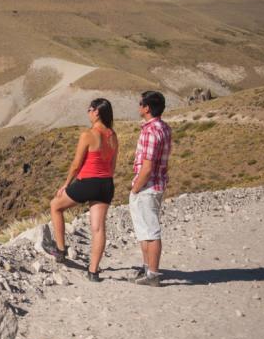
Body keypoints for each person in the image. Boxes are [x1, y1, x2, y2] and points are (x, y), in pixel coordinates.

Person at [48, 98, 118, 281]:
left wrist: (66, 184)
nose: (88, 113)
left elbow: (76, 164)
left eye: (89, 109)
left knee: (56, 205)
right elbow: (112, 165)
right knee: (98, 228)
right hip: (106, 184)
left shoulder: (88, 134)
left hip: (88, 182)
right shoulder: (112, 135)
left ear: (96, 112)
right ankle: (93, 271)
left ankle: (61, 250)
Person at [129, 90, 172, 287]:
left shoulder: (150, 131)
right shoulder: (164, 128)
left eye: (140, 103)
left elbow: (147, 166)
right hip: (157, 184)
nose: (138, 107)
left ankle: (153, 273)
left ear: (147, 108)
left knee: (150, 231)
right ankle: (147, 269)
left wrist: (136, 188)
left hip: (147, 186)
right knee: (144, 229)